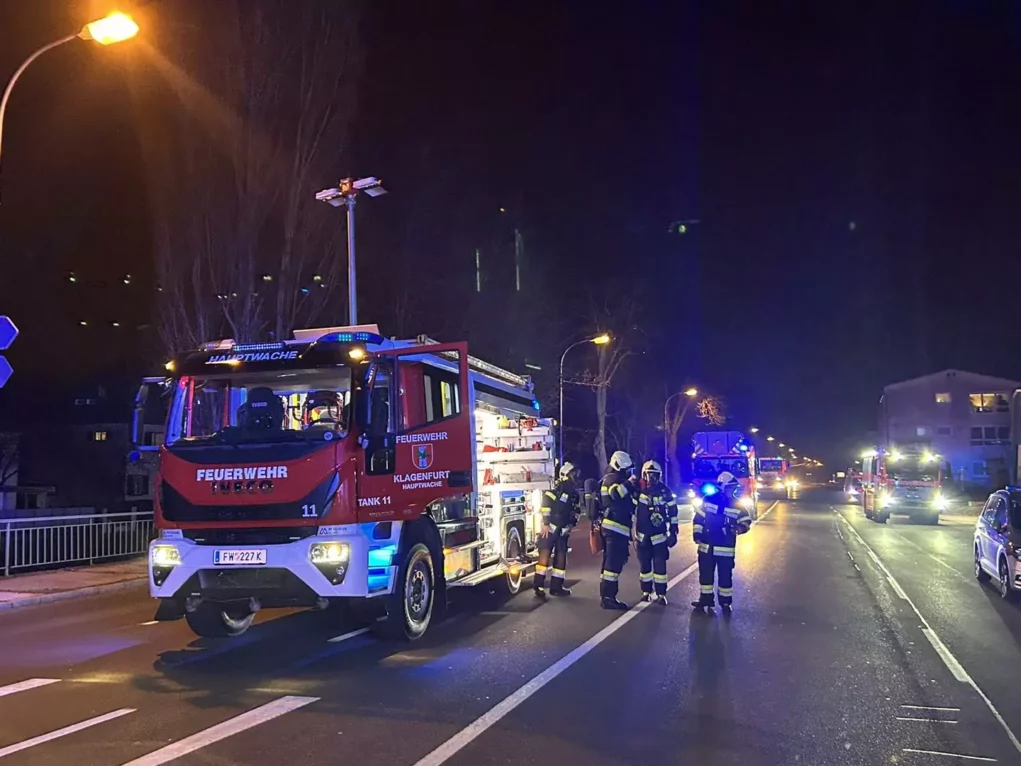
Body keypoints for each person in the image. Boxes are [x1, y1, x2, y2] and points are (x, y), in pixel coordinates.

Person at [691, 471, 752, 611]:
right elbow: (698, 519)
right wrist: (697, 534)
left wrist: (739, 528)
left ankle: (725, 602)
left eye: (734, 488)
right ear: (722, 487)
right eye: (730, 487)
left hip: (725, 548)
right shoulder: (708, 500)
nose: (733, 490)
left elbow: (746, 521)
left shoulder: (738, 505)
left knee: (725, 577)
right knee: (705, 576)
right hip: (707, 547)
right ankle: (705, 600)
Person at [534, 461, 582, 598]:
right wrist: (546, 523)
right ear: (566, 475)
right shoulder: (555, 491)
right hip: (550, 529)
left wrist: (570, 525)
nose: (576, 477)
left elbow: (575, 512)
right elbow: (546, 507)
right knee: (544, 558)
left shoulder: (573, 495)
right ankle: (538, 586)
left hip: (563, 530)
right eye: (573, 474)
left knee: (561, 558)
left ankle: (556, 587)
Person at [635, 460, 679, 605]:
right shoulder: (638, 491)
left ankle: (661, 594)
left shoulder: (665, 491)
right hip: (643, 537)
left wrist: (673, 531)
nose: (652, 478)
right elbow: (630, 510)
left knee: (660, 566)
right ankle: (646, 591)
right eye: (649, 475)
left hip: (659, 537)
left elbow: (673, 512)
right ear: (644, 475)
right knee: (645, 567)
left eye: (655, 475)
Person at [597, 450, 637, 610]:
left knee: (610, 564)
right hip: (615, 529)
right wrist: (629, 483)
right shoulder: (612, 480)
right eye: (626, 470)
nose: (628, 473)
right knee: (613, 565)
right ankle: (608, 598)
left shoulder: (612, 478)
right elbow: (615, 494)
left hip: (615, 529)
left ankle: (607, 596)